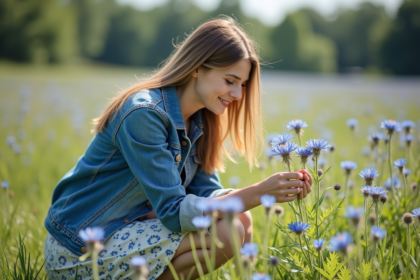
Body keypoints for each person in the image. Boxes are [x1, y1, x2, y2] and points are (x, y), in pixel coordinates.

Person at [43, 16, 312, 280]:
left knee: (240, 220)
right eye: (230, 81)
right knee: (227, 232)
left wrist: (275, 189)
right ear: (197, 67)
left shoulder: (202, 118)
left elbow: (205, 191)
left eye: (242, 85)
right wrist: (257, 193)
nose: (239, 95)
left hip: (125, 231)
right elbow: (174, 212)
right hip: (79, 247)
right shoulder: (144, 114)